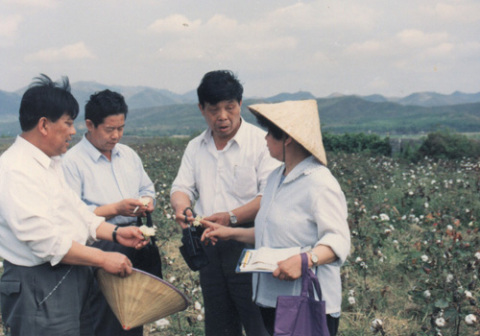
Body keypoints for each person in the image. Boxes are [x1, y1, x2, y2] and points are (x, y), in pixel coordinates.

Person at [0, 74, 147, 336]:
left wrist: (114, 233)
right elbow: (45, 241)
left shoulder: (49, 163)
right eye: (68, 123)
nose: (73, 131)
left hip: (68, 273)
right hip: (39, 284)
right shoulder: (16, 169)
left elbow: (76, 211)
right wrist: (103, 257)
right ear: (44, 125)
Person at [201, 99, 351, 336]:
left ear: (287, 138)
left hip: (306, 303)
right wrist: (229, 232)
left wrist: (305, 260)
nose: (265, 139)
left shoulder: (319, 183)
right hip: (272, 299)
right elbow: (268, 232)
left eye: (270, 133)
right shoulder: (275, 179)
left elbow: (339, 241)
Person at [170, 70, 279, 336]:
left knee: (258, 322)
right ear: (201, 109)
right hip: (209, 244)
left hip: (250, 244)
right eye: (213, 109)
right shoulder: (196, 147)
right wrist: (182, 208)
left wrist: (231, 217)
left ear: (240, 104)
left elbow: (269, 196)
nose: (222, 116)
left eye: (229, 108)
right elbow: (181, 187)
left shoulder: (260, 143)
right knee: (219, 324)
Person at [62, 89, 158, 336]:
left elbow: (148, 188)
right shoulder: (72, 162)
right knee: (102, 315)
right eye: (109, 129)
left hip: (134, 239)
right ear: (90, 125)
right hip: (100, 245)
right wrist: (115, 208)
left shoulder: (128, 155)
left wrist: (145, 202)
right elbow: (72, 214)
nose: (116, 135)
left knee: (134, 312)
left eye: (121, 128)